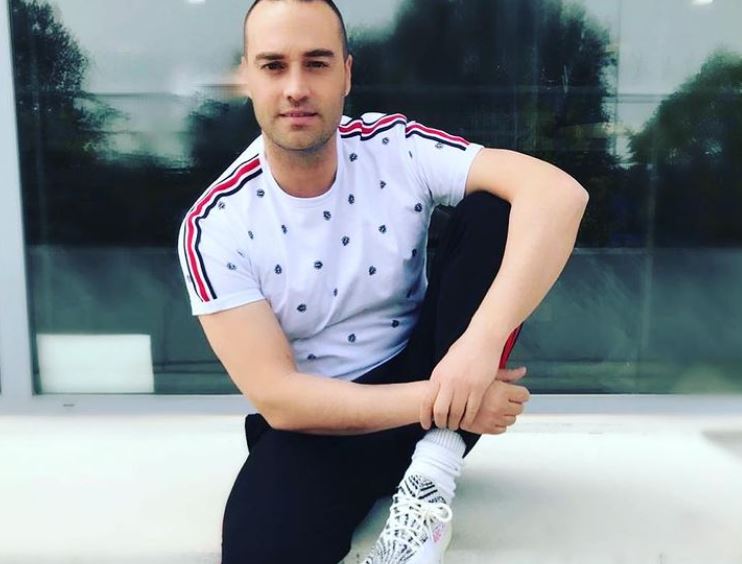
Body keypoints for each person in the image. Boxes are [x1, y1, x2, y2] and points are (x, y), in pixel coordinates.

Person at [177, 0, 588, 562]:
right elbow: (281, 399)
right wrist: (450, 401)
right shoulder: (216, 225)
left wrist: (477, 347)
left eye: (317, 63)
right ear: (248, 77)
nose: (296, 88)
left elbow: (559, 195)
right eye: (274, 66)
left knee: (496, 206)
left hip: (432, 377)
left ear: (346, 74)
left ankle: (430, 482)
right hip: (322, 424)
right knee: (258, 551)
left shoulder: (392, 147)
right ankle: (432, 442)